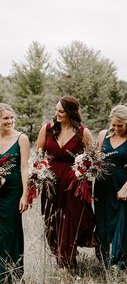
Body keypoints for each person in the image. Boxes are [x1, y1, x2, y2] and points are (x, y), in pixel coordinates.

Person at [36, 96, 95, 270]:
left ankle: (67, 268)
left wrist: (82, 174)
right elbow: (39, 155)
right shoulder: (47, 129)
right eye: (56, 110)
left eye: (61, 111)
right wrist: (39, 173)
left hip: (73, 187)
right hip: (51, 185)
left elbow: (92, 160)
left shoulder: (83, 132)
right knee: (52, 226)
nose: (57, 114)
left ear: (71, 112)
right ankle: (61, 261)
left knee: (69, 226)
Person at [94, 105, 127, 269]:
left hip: (121, 183)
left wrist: (125, 188)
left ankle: (121, 262)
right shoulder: (102, 135)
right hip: (102, 184)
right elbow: (96, 158)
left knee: (122, 222)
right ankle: (105, 259)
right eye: (114, 125)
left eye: (121, 125)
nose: (117, 128)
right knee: (103, 222)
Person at [0, 104, 29, 284]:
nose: (10, 121)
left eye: (12, 118)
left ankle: (10, 275)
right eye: (5, 118)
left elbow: (25, 166)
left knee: (9, 231)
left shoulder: (21, 138)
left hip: (13, 191)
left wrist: (25, 194)